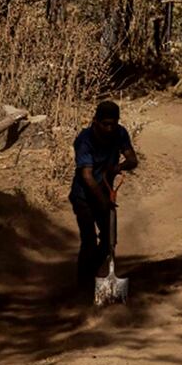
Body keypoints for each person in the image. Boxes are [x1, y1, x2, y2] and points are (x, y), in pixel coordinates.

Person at [69, 101, 138, 292]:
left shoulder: (120, 133)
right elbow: (87, 176)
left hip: (105, 194)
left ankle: (91, 273)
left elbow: (132, 159)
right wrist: (104, 201)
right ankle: (82, 287)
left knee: (109, 241)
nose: (109, 128)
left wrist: (119, 166)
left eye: (113, 124)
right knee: (89, 241)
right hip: (83, 196)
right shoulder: (84, 140)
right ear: (95, 122)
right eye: (105, 124)